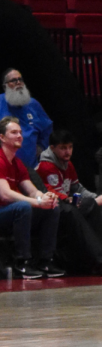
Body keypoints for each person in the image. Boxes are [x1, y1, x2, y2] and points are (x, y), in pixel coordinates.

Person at [35, 128, 102, 275]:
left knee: (93, 206)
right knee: (80, 208)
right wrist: (92, 200)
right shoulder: (46, 166)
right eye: (63, 148)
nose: (68, 152)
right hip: (52, 208)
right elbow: (54, 193)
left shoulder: (68, 164)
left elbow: (77, 188)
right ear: (52, 148)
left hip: (67, 205)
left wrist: (95, 198)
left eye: (70, 147)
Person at [0, 116, 62, 279]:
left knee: (52, 208)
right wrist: (37, 202)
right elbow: (5, 194)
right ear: (1, 137)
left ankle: (45, 261)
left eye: (20, 132)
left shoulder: (17, 163)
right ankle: (22, 263)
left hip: (10, 212)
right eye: (14, 132)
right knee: (24, 207)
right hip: (2, 211)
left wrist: (45, 197)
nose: (20, 136)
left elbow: (32, 191)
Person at [0, 69, 54, 169]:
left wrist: (42, 146)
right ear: (5, 86)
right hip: (4, 168)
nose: (18, 83)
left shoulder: (33, 104)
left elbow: (47, 128)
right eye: (14, 80)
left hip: (31, 167)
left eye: (20, 79)